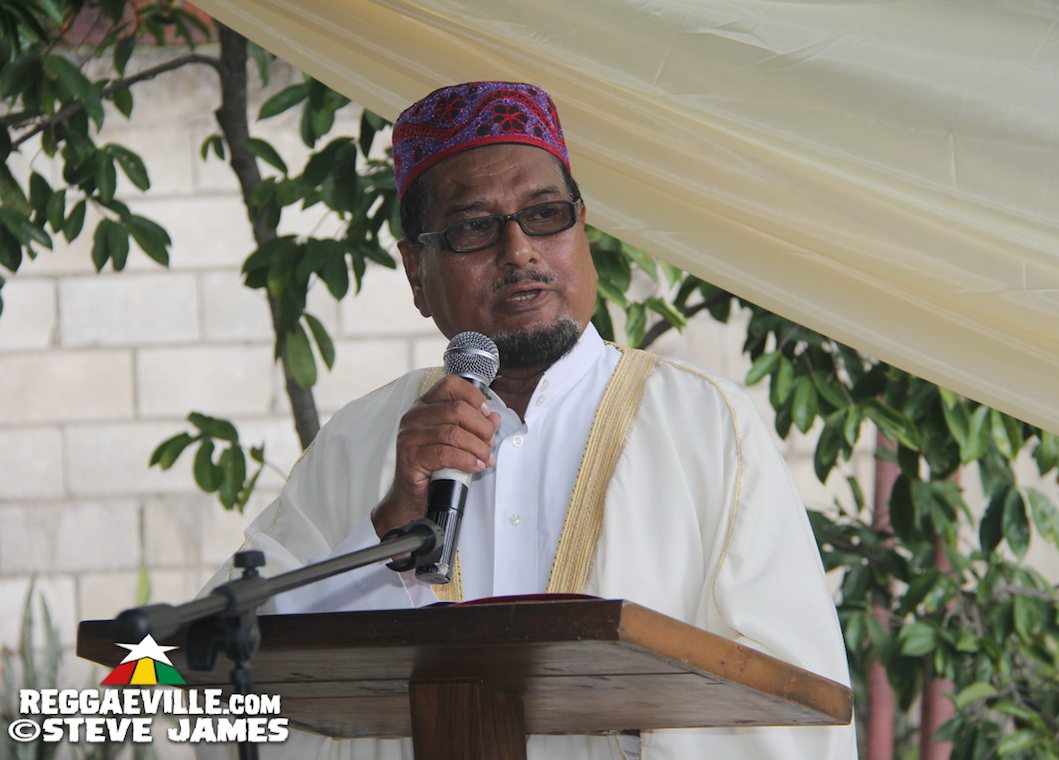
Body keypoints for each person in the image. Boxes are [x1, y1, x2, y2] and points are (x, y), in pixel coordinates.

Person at [203, 81, 857, 759]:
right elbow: (209, 681)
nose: (519, 251)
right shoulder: (359, 441)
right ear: (416, 272)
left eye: (545, 215)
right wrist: (385, 533)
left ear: (583, 230)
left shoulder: (707, 427)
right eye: (473, 227)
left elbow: (797, 705)